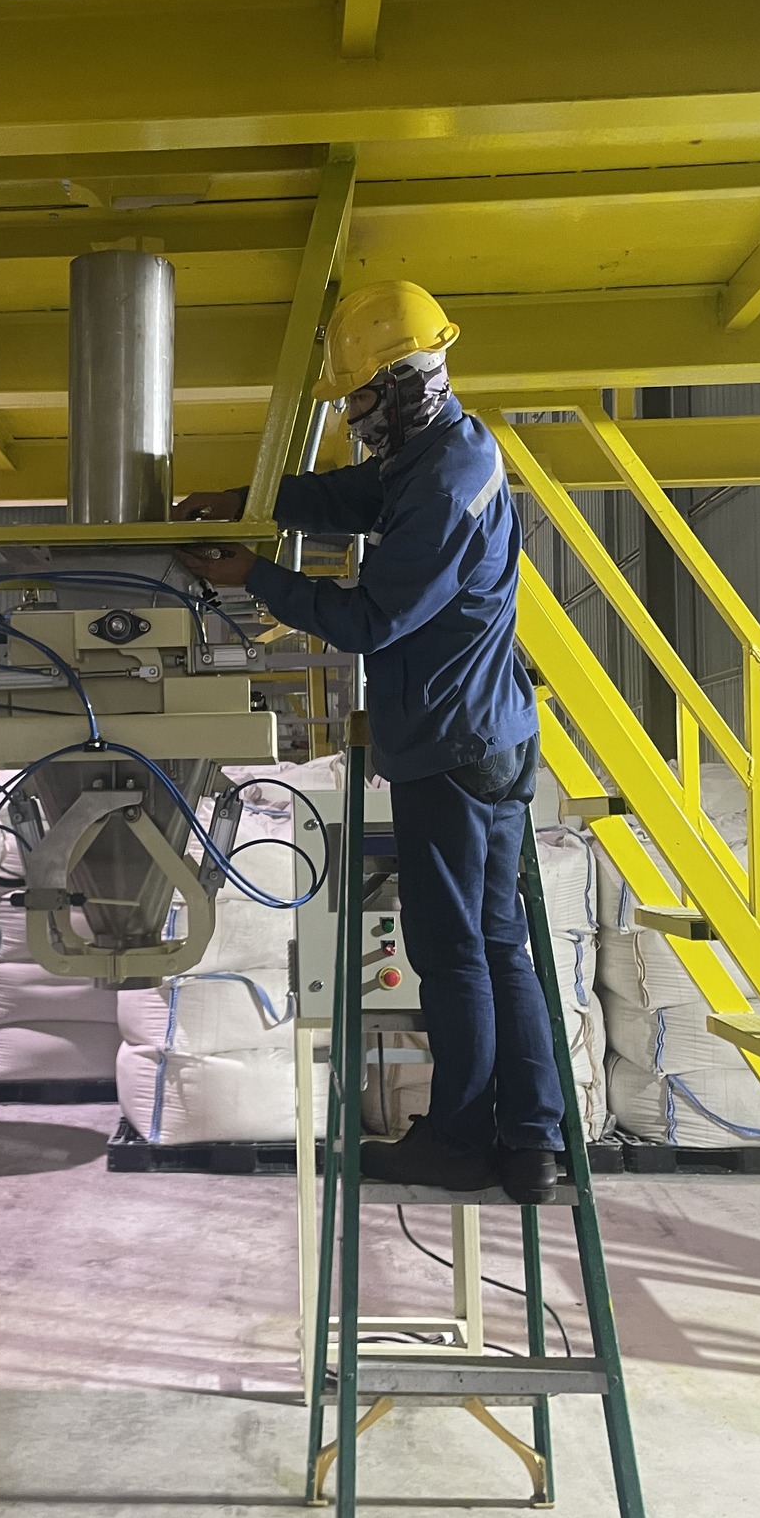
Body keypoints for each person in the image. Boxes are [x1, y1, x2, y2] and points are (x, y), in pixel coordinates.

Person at [174, 281, 565, 1204]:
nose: (354, 418)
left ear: (402, 385)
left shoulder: (444, 486)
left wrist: (257, 574)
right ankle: (532, 1144)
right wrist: (255, 500)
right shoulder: (448, 451)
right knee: (498, 943)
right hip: (491, 734)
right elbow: (356, 493)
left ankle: (459, 1142)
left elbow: (371, 620)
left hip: (450, 744)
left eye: (359, 398)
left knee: (453, 951)